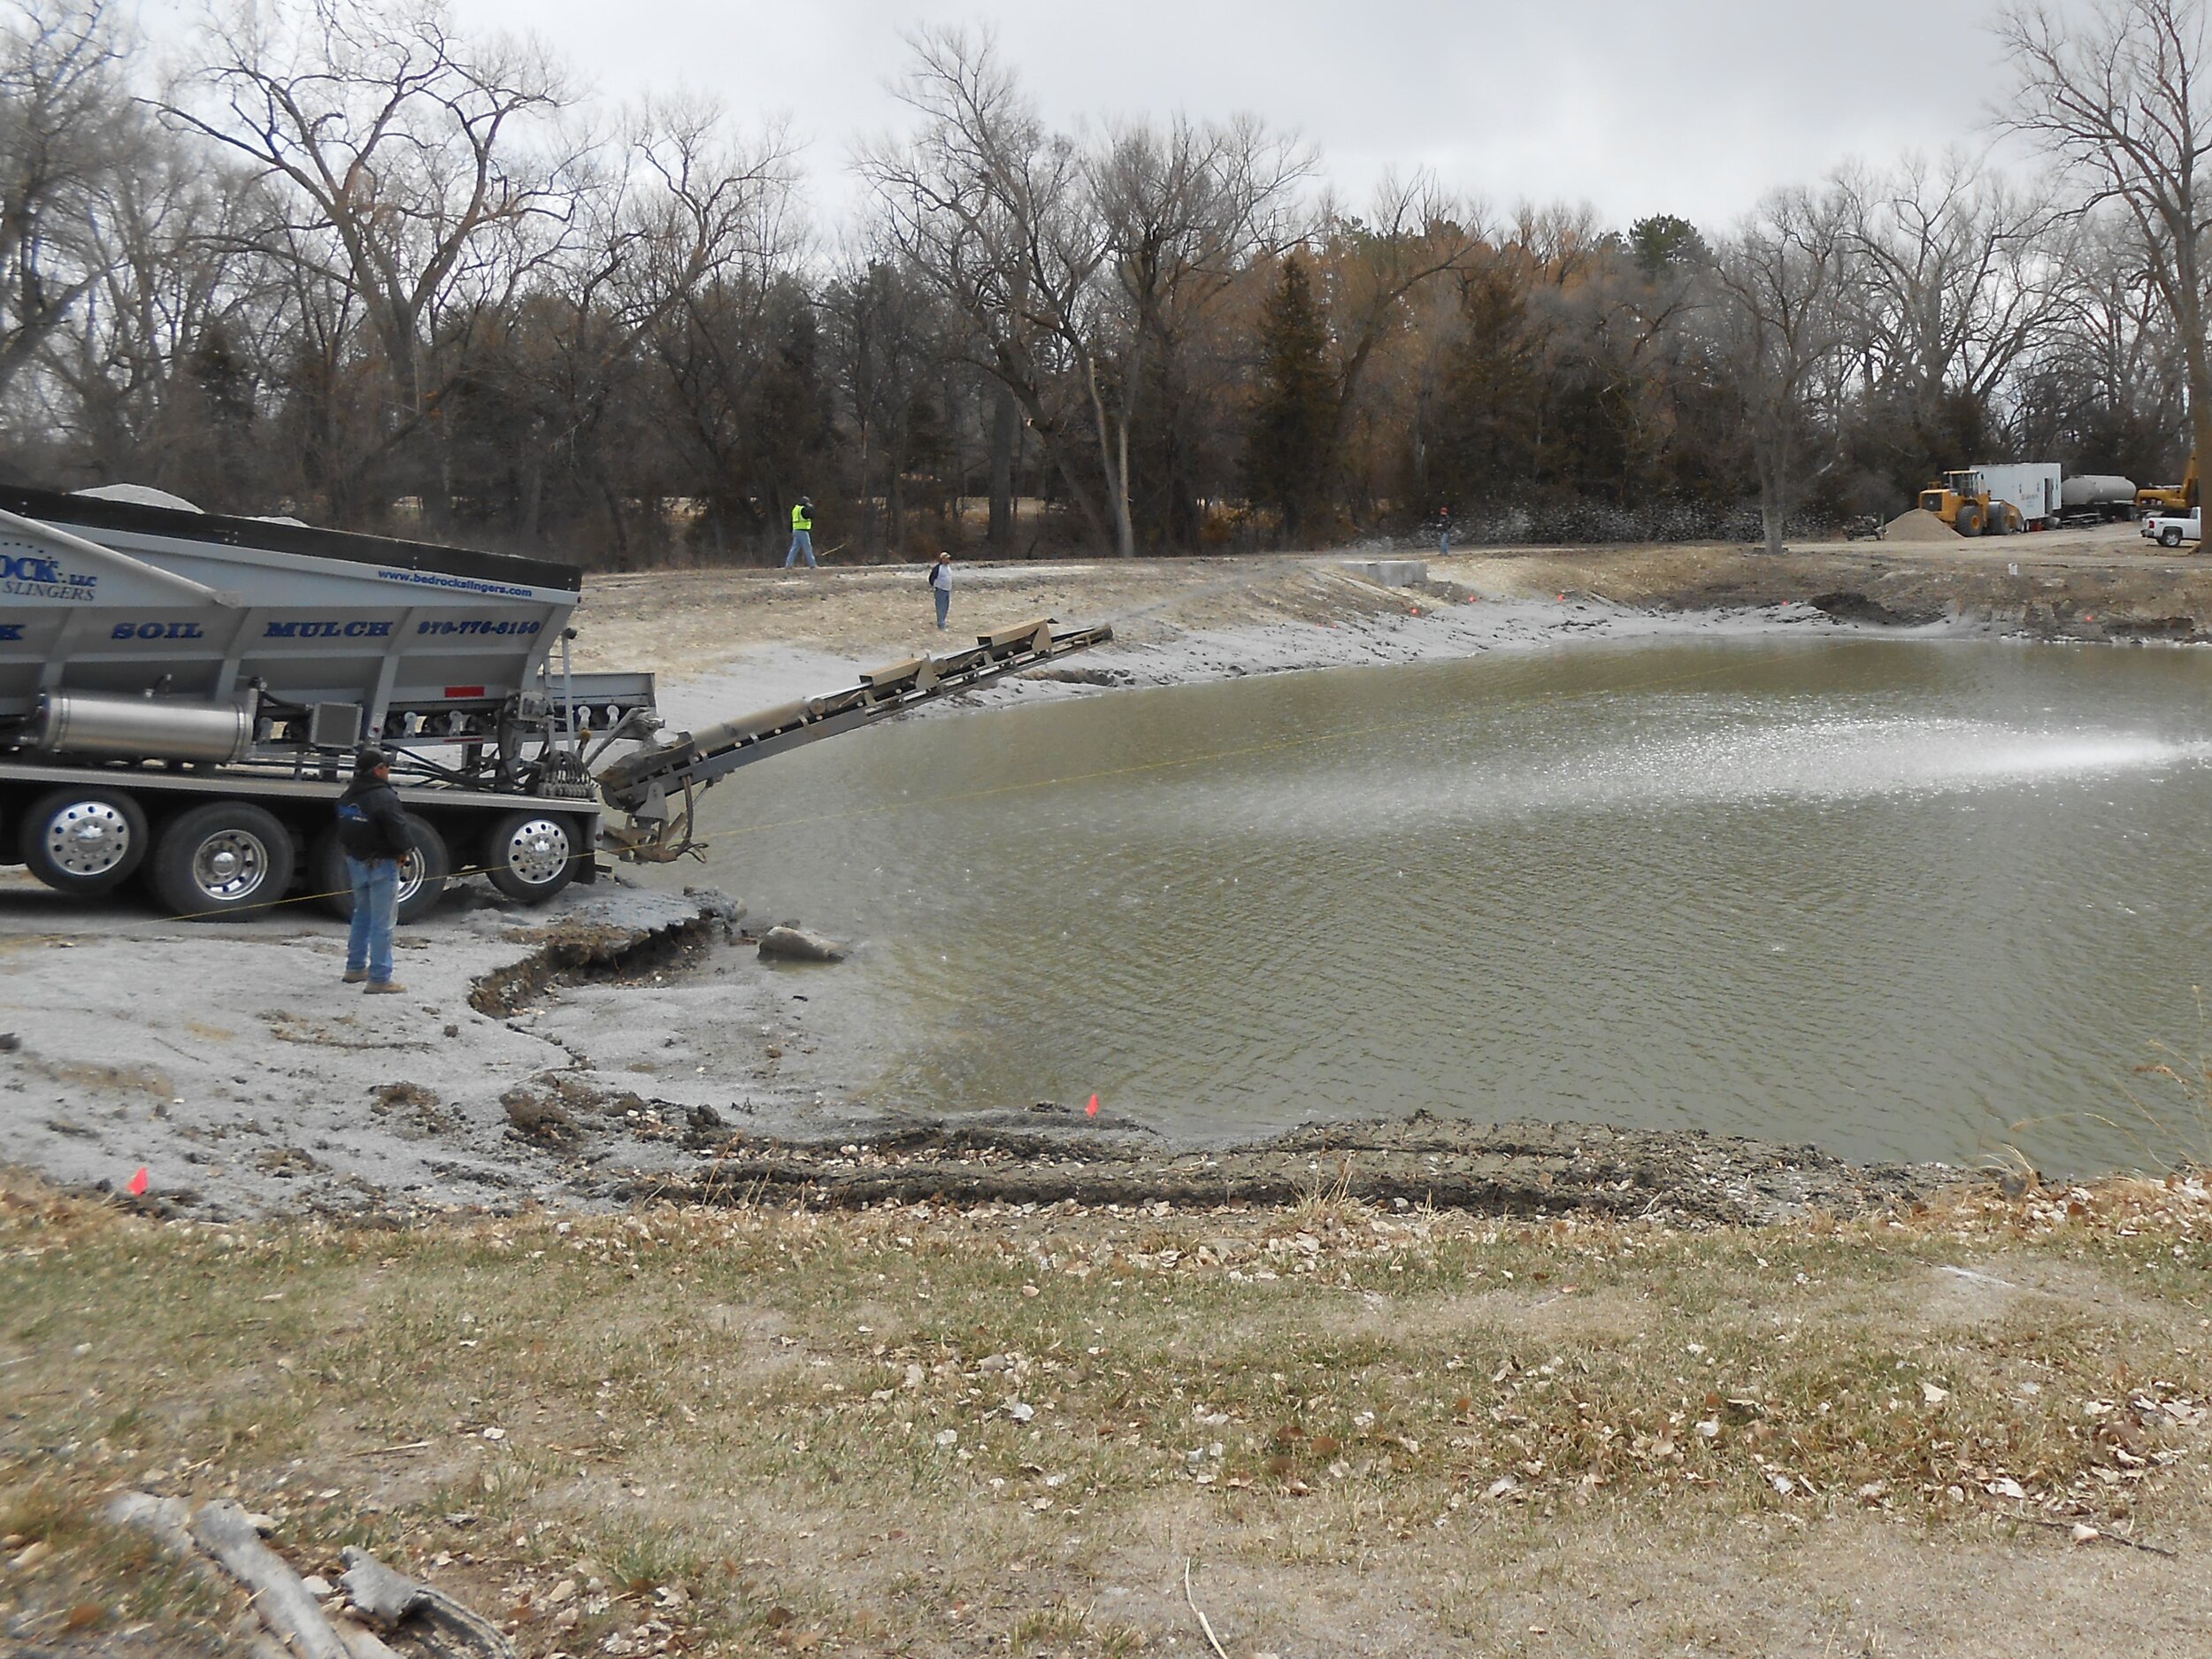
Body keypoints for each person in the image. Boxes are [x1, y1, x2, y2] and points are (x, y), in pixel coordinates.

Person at [334, 747, 411, 995]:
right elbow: (399, 831)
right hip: (382, 864)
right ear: (378, 770)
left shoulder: (349, 794)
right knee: (383, 923)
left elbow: (345, 827)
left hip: (356, 861)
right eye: (387, 766)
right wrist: (405, 850)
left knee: (362, 916)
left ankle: (355, 967)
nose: (389, 770)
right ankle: (379, 978)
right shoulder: (385, 797)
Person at [786, 496, 816, 567]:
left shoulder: (796, 509)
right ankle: (812, 564)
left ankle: (788, 564)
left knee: (794, 548)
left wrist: (791, 530)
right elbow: (810, 516)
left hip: (796, 530)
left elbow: (791, 520)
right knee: (807, 548)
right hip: (802, 531)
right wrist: (811, 508)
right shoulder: (803, 510)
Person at [928, 551, 953, 630]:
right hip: (940, 590)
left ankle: (943, 622)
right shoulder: (938, 568)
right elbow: (931, 578)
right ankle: (941, 624)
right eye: (947, 558)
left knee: (946, 607)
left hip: (947, 590)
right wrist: (936, 586)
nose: (948, 560)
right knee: (940, 607)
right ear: (942, 559)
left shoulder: (948, 567)